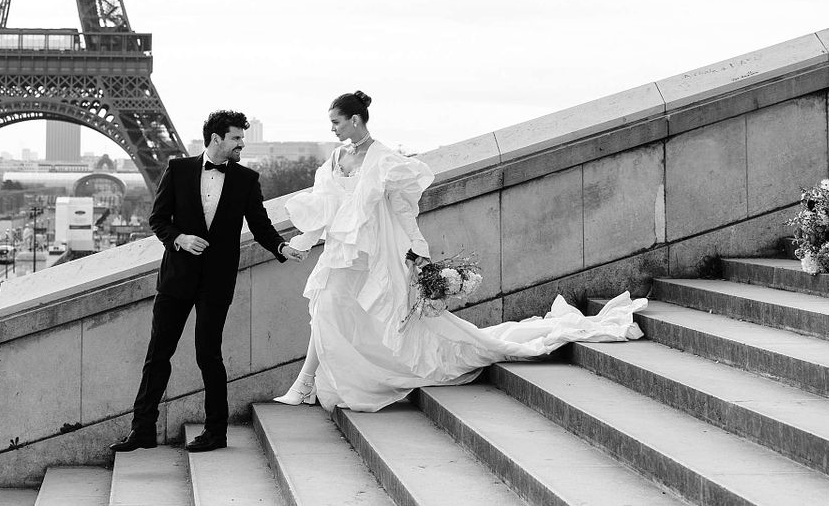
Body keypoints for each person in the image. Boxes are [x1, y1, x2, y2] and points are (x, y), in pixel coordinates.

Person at [274, 90, 645, 412]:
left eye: (336, 122)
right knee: (325, 310)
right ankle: (306, 384)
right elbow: (325, 207)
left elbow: (403, 211)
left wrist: (419, 251)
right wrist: (300, 244)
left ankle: (305, 385)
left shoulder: (384, 159)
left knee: (333, 312)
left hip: (373, 257)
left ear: (355, 120)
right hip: (341, 253)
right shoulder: (336, 159)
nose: (333, 129)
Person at [111, 110, 307, 454]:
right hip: (177, 277)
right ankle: (142, 429)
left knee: (209, 355)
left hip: (216, 280)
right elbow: (158, 219)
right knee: (158, 355)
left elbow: (260, 225)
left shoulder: (246, 179)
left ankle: (216, 432)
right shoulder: (178, 169)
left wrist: (281, 247)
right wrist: (180, 238)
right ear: (216, 138)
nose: (242, 143)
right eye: (236, 138)